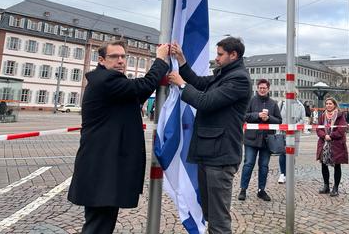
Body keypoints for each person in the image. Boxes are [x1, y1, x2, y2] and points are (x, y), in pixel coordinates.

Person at [67, 40, 169, 234]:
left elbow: (139, 93)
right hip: (102, 166)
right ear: (102, 60)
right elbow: (144, 85)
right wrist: (160, 60)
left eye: (123, 56)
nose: (121, 61)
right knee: (98, 224)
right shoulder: (106, 80)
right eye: (114, 57)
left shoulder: (108, 81)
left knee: (103, 222)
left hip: (105, 165)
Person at [168, 37, 251, 233]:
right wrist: (181, 61)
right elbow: (197, 82)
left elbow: (205, 101)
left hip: (221, 157)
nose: (216, 58)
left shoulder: (238, 78)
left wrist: (181, 85)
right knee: (209, 214)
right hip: (209, 153)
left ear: (233, 55)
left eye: (220, 54)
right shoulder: (224, 75)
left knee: (219, 220)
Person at [238, 79, 281, 200]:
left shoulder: (273, 103)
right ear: (257, 88)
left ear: (268, 89)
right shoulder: (250, 101)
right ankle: (243, 189)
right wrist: (257, 115)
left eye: (264, 88)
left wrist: (268, 118)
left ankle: (261, 190)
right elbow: (243, 116)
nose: (262, 90)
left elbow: (279, 120)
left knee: (264, 166)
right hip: (251, 139)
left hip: (267, 140)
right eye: (260, 88)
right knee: (248, 164)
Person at [316, 97, 348, 197]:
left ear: (334, 104)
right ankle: (326, 186)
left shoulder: (340, 115)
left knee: (337, 165)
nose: (328, 105)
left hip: (336, 144)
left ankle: (335, 188)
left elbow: (341, 130)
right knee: (323, 164)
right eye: (327, 103)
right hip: (324, 143)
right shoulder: (322, 116)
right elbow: (318, 128)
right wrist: (324, 136)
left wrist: (331, 136)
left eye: (330, 103)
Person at [277, 95, 305, 184]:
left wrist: (294, 127)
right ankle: (282, 174)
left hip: (294, 133)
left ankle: (289, 173)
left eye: (293, 94)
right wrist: (283, 126)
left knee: (291, 153)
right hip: (282, 132)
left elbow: (302, 119)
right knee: (282, 153)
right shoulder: (281, 104)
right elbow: (277, 116)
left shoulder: (300, 105)